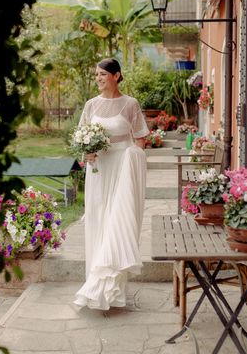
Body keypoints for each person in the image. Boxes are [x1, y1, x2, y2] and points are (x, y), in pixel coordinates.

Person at [73, 58, 149, 310]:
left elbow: (141, 139)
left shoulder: (130, 104)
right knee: (99, 221)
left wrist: (133, 160)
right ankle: (96, 286)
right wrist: (87, 154)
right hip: (99, 171)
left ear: (117, 76)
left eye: (103, 74)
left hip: (122, 170)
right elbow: (80, 139)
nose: (98, 78)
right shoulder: (91, 105)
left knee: (118, 222)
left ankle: (115, 289)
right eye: (96, 75)